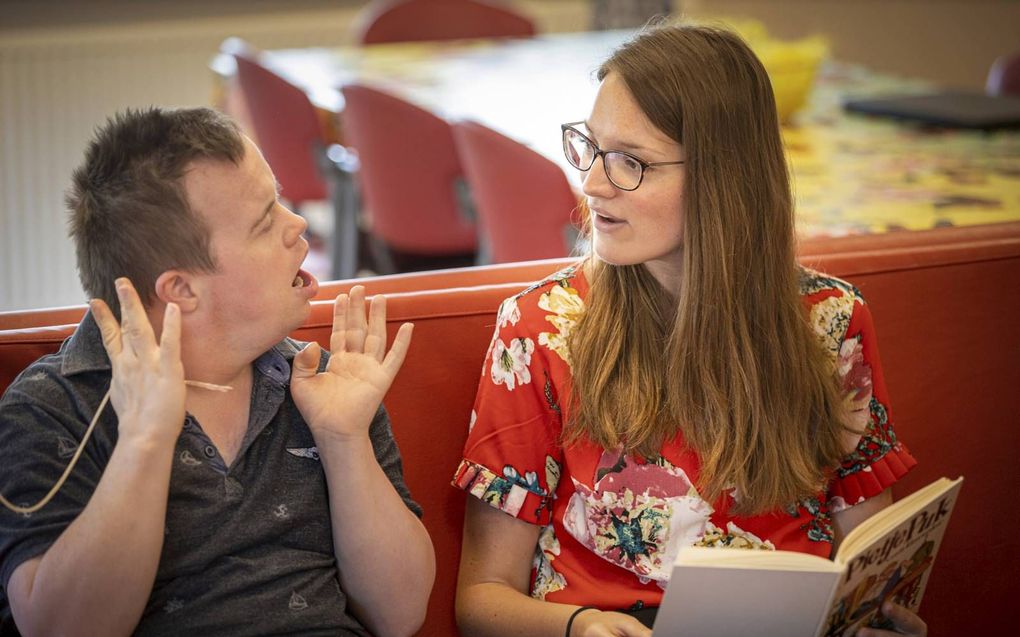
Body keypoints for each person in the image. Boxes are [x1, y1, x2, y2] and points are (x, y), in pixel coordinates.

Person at [453, 23, 927, 637]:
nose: (592, 184)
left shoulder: (831, 320)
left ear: (722, 178)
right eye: (591, 148)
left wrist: (877, 617)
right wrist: (577, 626)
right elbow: (481, 599)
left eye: (632, 162)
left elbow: (868, 552)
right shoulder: (541, 329)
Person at [0, 107, 435, 636]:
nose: (297, 225)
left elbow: (401, 615)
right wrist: (144, 440)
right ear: (181, 290)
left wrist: (344, 440)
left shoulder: (319, 379)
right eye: (264, 221)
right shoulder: (52, 405)